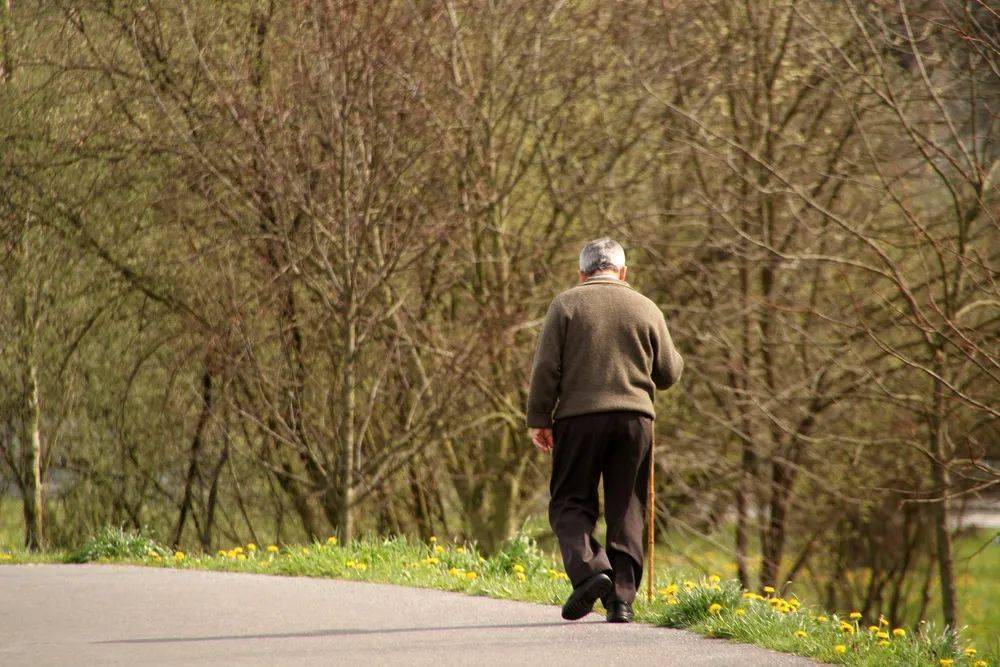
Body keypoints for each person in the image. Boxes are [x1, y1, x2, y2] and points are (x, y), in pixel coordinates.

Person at [526, 237, 684, 623]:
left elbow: (547, 368)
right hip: (635, 420)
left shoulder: (565, 305)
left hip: (578, 418)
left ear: (582, 274)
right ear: (623, 272)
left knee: (570, 501)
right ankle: (621, 601)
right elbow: (669, 373)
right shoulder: (646, 307)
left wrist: (539, 418)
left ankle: (590, 571)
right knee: (627, 506)